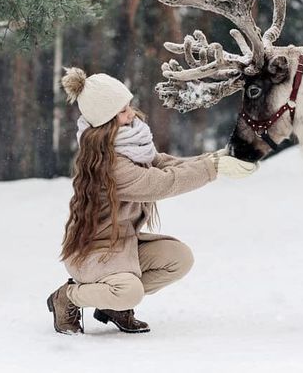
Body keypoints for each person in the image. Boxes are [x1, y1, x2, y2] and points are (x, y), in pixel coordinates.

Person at [47, 67, 257, 335]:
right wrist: (214, 168)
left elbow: (164, 164)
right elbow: (161, 182)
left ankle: (112, 303)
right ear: (106, 122)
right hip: (94, 252)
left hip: (123, 244)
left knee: (179, 258)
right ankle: (68, 296)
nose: (131, 114)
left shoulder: (129, 143)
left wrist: (217, 158)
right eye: (122, 111)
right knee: (129, 292)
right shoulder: (109, 165)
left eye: (129, 106)